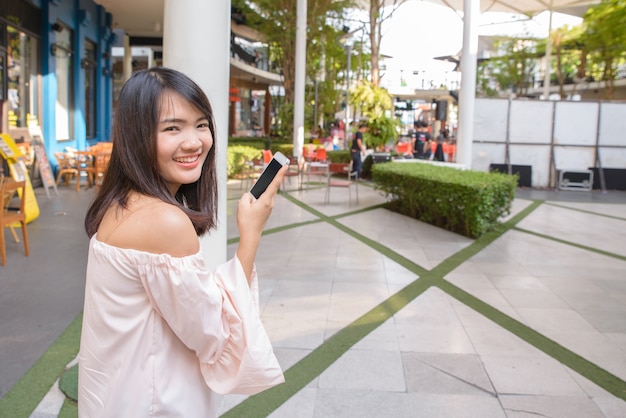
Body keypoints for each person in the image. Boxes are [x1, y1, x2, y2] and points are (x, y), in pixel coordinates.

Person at [79, 67, 286, 417]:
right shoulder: (165, 222)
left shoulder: (119, 203)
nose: (193, 142)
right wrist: (250, 234)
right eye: (172, 128)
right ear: (136, 136)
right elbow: (217, 338)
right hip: (155, 404)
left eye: (201, 124)